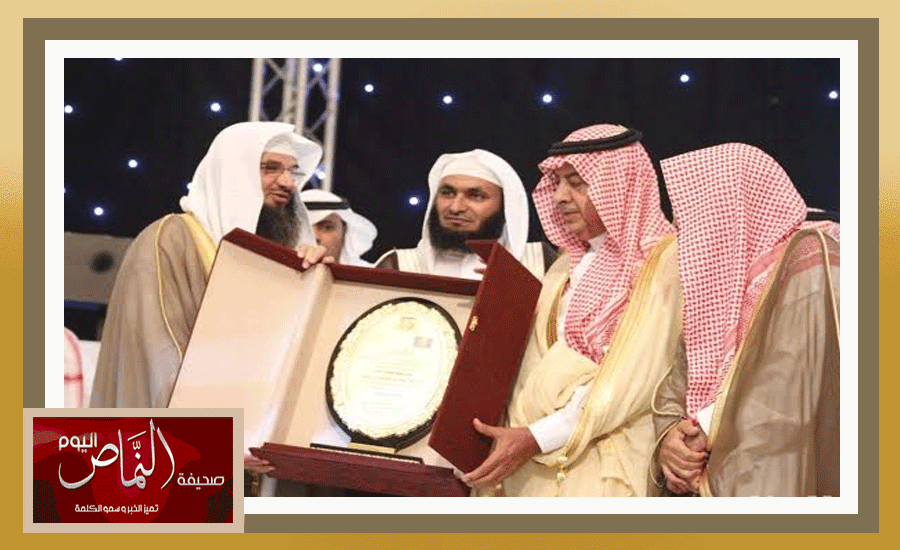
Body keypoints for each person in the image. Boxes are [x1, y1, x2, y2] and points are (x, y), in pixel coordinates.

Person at [463, 124, 683, 496]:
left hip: (606, 466)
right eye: (557, 183)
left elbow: (635, 377)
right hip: (528, 464)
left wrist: (539, 436)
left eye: (577, 183)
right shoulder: (564, 266)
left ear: (619, 186)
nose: (560, 197)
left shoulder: (664, 262)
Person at [90, 122, 331, 410]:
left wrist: (312, 282)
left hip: (248, 425)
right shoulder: (170, 240)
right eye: (270, 168)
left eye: (293, 172)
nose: (288, 183)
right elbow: (159, 358)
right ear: (233, 174)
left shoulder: (270, 257)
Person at [651, 143, 840, 497]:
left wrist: (704, 433)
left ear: (731, 211)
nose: (680, 228)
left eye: (695, 214)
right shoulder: (718, 286)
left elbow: (787, 390)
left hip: (780, 476)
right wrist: (670, 441)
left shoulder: (811, 262)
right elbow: (677, 382)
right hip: (708, 476)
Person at [376, 149, 553, 279]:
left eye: (475, 196)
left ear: (505, 206)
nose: (456, 207)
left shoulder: (539, 262)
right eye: (447, 193)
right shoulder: (398, 265)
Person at [300, 188, 378, 267]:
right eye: (303, 228)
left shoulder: (370, 273)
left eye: (327, 227)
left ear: (344, 231)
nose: (314, 237)